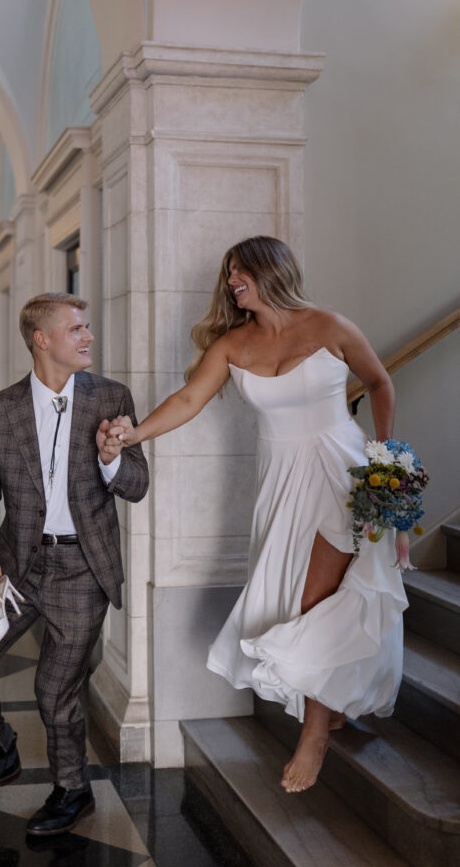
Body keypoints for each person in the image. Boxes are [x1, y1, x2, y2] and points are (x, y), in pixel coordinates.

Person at [108, 236, 407, 793]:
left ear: (272, 270)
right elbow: (188, 401)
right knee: (296, 600)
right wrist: (133, 436)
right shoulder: (231, 344)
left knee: (315, 598)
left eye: (240, 270)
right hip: (280, 483)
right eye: (229, 274)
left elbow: (380, 382)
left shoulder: (331, 325)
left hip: (344, 476)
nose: (232, 281)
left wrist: (388, 467)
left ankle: (314, 733)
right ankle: (332, 704)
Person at [0, 293, 148, 833]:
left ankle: (72, 791)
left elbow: (138, 485)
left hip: (82, 570)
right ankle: (0, 750)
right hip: (15, 569)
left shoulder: (111, 398)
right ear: (42, 339)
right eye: (76, 328)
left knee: (54, 694)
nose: (88, 337)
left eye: (87, 327)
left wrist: (110, 460)